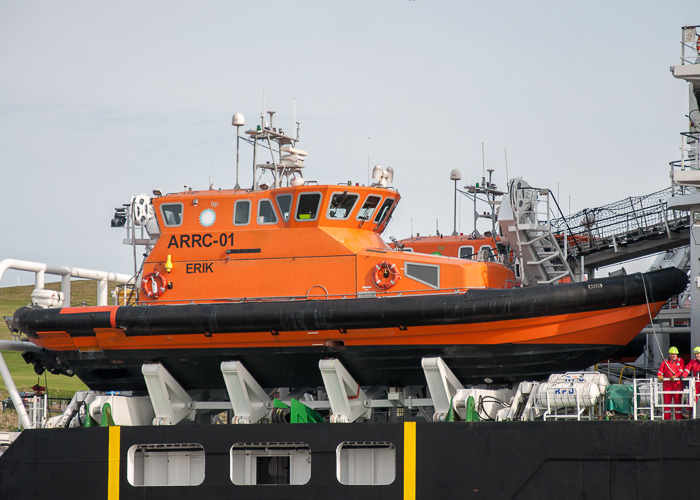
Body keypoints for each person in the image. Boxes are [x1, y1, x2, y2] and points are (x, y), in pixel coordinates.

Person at [657, 346, 685, 420]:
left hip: (677, 385)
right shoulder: (665, 362)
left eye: (675, 354)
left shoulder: (680, 360)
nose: (674, 355)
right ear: (669, 354)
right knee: (667, 403)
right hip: (667, 385)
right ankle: (667, 419)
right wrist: (659, 376)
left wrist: (675, 376)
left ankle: (679, 419)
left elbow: (681, 370)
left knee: (678, 403)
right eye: (672, 354)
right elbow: (660, 370)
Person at [682, 346, 700, 417]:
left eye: (697, 353)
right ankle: (688, 413)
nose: (696, 355)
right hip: (696, 383)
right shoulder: (693, 361)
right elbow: (687, 368)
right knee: (692, 397)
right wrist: (683, 375)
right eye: (695, 354)